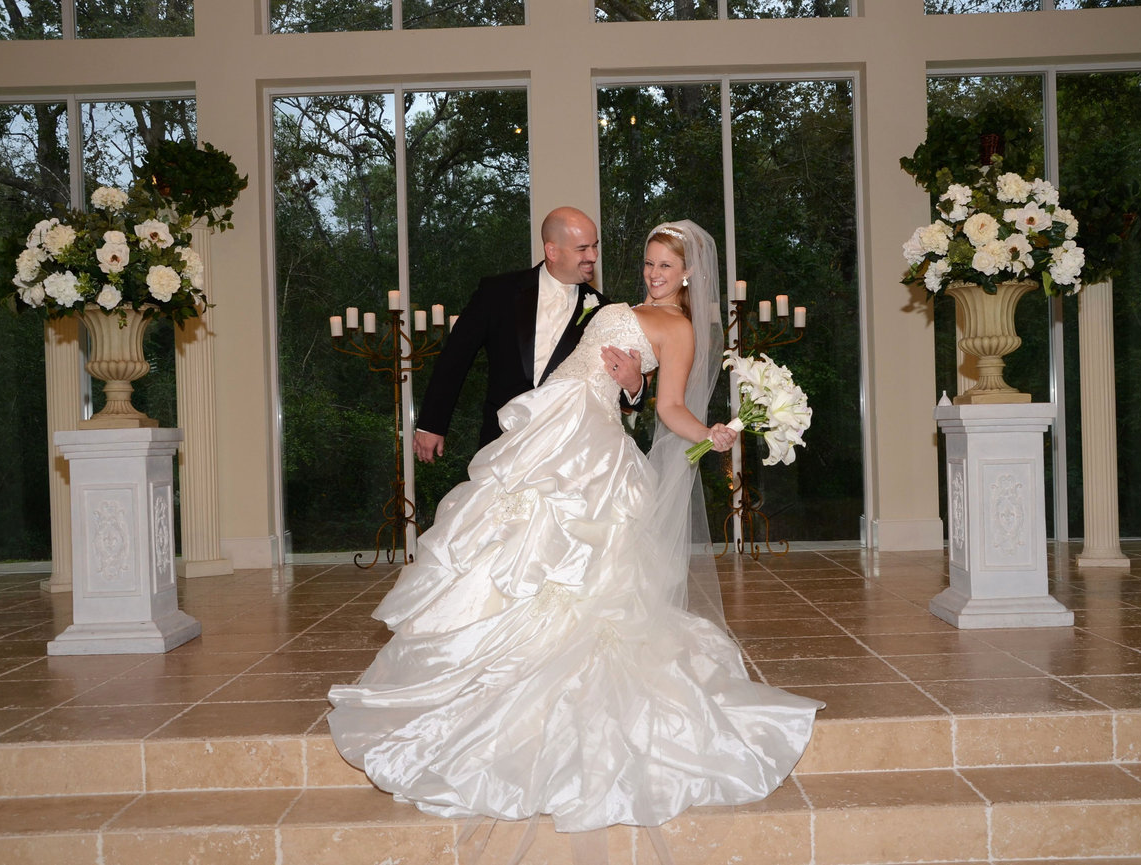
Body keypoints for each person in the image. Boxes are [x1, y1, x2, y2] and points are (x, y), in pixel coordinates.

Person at [328, 220, 823, 834]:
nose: (652, 273)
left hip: (590, 443)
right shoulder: (607, 303)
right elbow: (493, 356)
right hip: (546, 424)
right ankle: (486, 671)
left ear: (689, 272)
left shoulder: (680, 327)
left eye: (666, 267)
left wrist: (698, 424)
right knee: (504, 543)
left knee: (578, 560)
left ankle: (563, 696)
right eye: (647, 262)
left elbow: (667, 406)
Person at [413, 206, 644, 463]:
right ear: (552, 251)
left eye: (595, 246)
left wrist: (635, 387)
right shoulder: (497, 292)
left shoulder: (604, 311)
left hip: (568, 454)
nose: (593, 255)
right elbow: (455, 358)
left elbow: (610, 386)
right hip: (501, 443)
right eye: (582, 248)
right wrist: (431, 424)